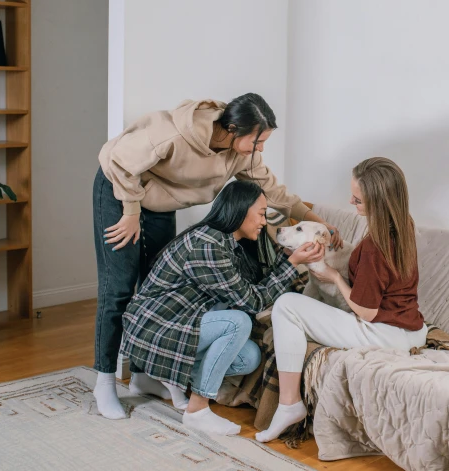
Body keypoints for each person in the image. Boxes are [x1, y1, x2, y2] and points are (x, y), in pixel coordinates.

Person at [93, 93, 342, 419]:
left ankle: (143, 377)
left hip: (161, 201)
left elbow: (275, 192)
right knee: (119, 288)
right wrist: (129, 211)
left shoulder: (241, 155)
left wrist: (319, 222)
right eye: (258, 141)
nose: (261, 149)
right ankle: (105, 382)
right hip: (120, 190)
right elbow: (117, 161)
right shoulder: (174, 135)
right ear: (233, 128)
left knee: (155, 283)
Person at [120, 181, 324, 435]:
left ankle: (156, 378)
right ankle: (197, 410)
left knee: (248, 358)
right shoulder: (208, 245)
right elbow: (252, 302)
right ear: (240, 210)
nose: (264, 221)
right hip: (156, 328)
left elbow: (251, 289)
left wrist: (286, 256)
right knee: (238, 321)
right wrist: (292, 263)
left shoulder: (226, 241)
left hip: (179, 322)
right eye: (261, 213)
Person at [256, 157, 428, 443]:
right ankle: (289, 403)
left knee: (286, 305)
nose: (351, 201)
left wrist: (334, 276)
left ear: (378, 199)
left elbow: (367, 312)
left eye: (358, 199)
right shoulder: (402, 225)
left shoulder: (376, 247)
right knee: (297, 306)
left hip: (383, 332)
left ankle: (289, 404)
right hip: (412, 331)